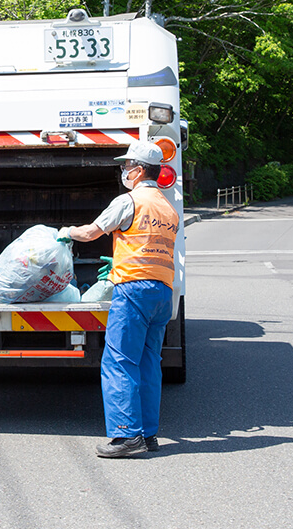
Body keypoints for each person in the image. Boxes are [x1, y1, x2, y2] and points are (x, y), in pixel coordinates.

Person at [58, 141, 179, 457]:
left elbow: (91, 233)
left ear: (139, 171)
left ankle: (126, 436)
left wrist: (66, 232)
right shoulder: (167, 207)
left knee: (119, 362)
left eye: (127, 166)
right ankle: (149, 434)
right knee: (150, 362)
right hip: (162, 292)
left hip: (133, 290)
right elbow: (153, 247)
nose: (124, 170)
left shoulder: (129, 201)